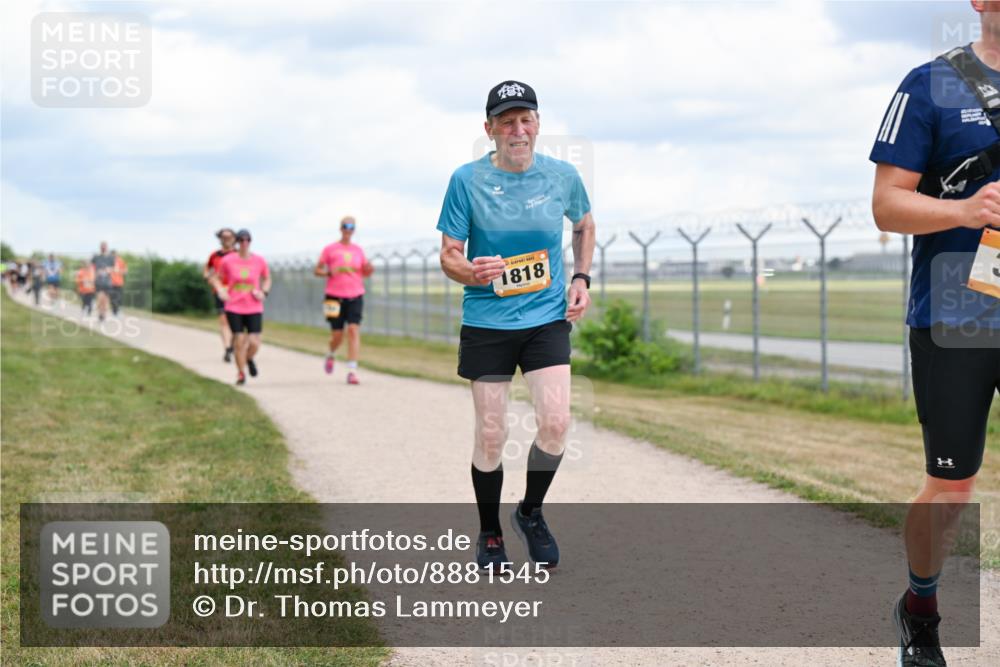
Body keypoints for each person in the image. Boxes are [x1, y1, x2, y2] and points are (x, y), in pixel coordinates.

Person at [870, 2, 1000, 664]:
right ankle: (920, 607)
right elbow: (886, 205)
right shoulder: (930, 83)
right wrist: (965, 208)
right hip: (958, 318)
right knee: (952, 486)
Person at [437, 81, 595, 570]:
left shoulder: (562, 176)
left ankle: (530, 512)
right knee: (490, 433)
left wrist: (582, 278)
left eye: (526, 119)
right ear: (490, 130)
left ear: (538, 125)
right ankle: (489, 532)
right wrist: (471, 270)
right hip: (487, 321)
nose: (518, 129)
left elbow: (585, 224)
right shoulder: (466, 180)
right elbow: (449, 256)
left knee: (556, 422)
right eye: (507, 121)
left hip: (547, 318)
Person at [314, 216, 374, 385]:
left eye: (351, 227)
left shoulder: (358, 250)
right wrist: (327, 273)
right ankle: (331, 353)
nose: (348, 229)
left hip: (355, 295)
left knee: (353, 330)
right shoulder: (330, 249)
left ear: (354, 230)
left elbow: (365, 272)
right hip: (333, 297)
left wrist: (370, 269)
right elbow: (317, 270)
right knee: (337, 335)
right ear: (340, 228)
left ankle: (352, 371)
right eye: (345, 226)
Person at [209, 229, 271, 386]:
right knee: (238, 340)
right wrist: (221, 290)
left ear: (250, 241)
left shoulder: (259, 260)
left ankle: (249, 358)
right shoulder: (228, 260)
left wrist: (264, 292)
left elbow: (267, 278)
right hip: (234, 305)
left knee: (254, 341)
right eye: (241, 240)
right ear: (237, 242)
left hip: (254, 306)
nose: (244, 243)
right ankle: (241, 373)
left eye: (247, 239)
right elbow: (215, 278)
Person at [204, 228, 237, 362]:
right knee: (223, 321)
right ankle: (228, 348)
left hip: (236, 292)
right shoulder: (215, 255)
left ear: (234, 238)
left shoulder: (238, 254)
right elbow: (207, 268)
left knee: (236, 324)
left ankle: (233, 344)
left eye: (229, 237)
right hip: (220, 292)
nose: (226, 239)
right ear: (220, 239)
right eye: (224, 237)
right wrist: (208, 277)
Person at [91, 241, 114, 321]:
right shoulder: (96, 257)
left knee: (105, 300)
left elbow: (113, 268)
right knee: (100, 298)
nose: (103, 248)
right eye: (102, 246)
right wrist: (96, 273)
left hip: (107, 282)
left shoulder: (111, 258)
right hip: (98, 281)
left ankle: (104, 314)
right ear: (100, 247)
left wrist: (108, 270)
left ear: (107, 247)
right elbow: (91, 266)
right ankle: (100, 313)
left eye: (104, 246)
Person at [109, 250, 128, 316]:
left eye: (114, 255)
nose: (113, 256)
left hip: (119, 283)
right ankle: (114, 312)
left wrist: (119, 271)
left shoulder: (121, 261)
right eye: (112, 255)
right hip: (110, 283)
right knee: (112, 298)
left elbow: (125, 271)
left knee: (119, 297)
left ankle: (118, 310)